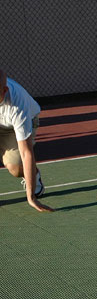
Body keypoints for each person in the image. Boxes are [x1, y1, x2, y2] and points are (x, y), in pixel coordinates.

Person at [0, 70, 53, 212]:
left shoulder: (17, 104)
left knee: (16, 167)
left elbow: (26, 153)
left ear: (4, 90)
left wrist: (31, 198)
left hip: (17, 125)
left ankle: (34, 178)